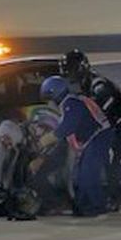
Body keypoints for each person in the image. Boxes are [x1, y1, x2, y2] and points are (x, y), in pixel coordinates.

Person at [62, 50, 121, 209]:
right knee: (112, 159)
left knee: (117, 159)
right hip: (115, 121)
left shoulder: (98, 84)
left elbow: (105, 109)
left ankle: (119, 197)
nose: (69, 75)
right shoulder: (86, 83)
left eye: (70, 69)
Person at [39, 76, 112, 217]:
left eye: (49, 98)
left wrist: (46, 139)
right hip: (94, 139)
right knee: (79, 175)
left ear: (55, 94)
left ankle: (97, 206)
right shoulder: (71, 103)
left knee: (88, 174)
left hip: (98, 138)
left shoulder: (71, 104)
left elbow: (67, 127)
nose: (49, 102)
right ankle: (84, 205)